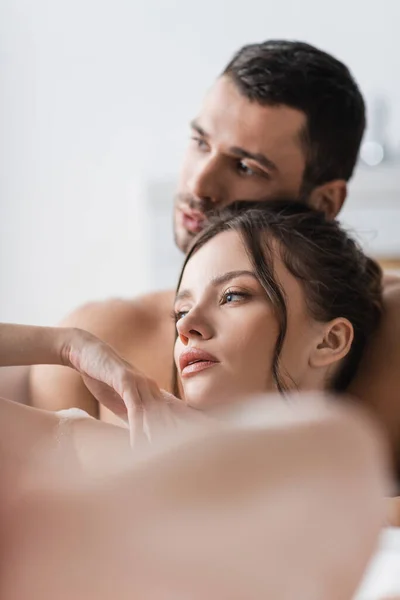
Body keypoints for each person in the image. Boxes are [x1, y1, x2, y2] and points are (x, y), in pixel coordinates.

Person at [29, 40, 400, 451]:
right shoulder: (101, 336)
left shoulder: (391, 331)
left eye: (246, 167)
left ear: (324, 201)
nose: (199, 184)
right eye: (200, 142)